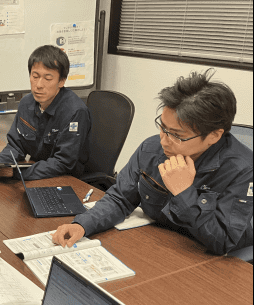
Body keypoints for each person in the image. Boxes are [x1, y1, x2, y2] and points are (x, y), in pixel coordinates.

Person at [53, 70, 253, 255]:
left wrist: (184, 192)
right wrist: (82, 225)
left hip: (208, 257)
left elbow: (222, 241)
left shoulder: (242, 170)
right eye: (163, 127)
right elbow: (120, 198)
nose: (164, 141)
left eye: (177, 135)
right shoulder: (152, 149)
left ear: (214, 136)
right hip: (160, 243)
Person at [0, 45, 91, 180]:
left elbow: (63, 163)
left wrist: (17, 173)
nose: (38, 85)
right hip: (37, 174)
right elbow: (16, 146)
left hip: (68, 179)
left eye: (47, 78)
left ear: (61, 81)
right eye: (35, 76)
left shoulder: (75, 112)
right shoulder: (26, 103)